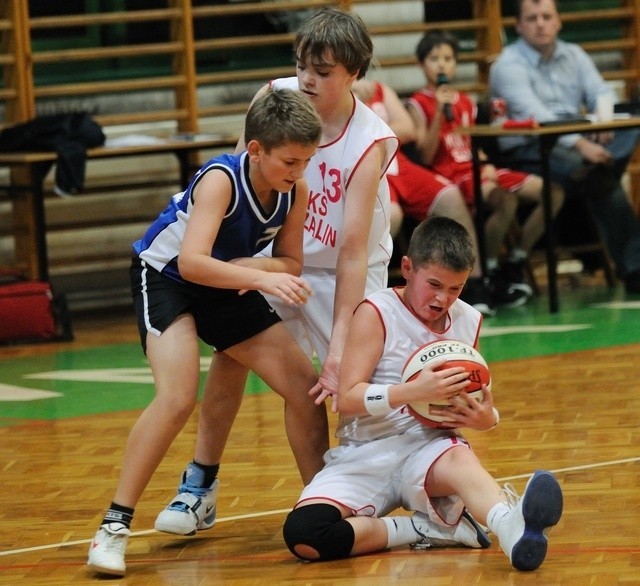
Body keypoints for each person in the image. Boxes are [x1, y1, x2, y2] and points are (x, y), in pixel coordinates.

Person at [154, 7, 398, 537]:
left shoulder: (371, 140)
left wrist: (337, 345)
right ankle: (201, 485)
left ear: (355, 73)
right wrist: (239, 268)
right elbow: (238, 185)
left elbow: (354, 251)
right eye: (303, 65)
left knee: (358, 390)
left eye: (324, 70)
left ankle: (360, 492)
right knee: (231, 355)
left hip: (346, 271)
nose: (308, 78)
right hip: (277, 261)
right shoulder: (273, 99)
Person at [87, 88, 329, 577]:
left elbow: (292, 260)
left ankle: (325, 506)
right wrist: (260, 275)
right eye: (290, 161)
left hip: (223, 277)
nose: (299, 171)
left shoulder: (295, 189)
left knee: (306, 389)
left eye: (306, 161)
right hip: (168, 277)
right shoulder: (222, 179)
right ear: (254, 150)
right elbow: (192, 262)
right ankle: (113, 527)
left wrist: (257, 267)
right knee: (177, 397)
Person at [282, 216, 564, 572]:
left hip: (430, 446)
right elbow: (348, 398)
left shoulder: (467, 321)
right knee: (305, 535)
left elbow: (478, 400)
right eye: (434, 284)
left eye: (455, 288)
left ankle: (510, 525)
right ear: (407, 268)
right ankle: (420, 528)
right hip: (366, 451)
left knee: (460, 457)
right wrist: (411, 392)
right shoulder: (377, 312)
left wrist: (486, 418)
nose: (442, 299)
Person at [489, 0, 640, 294]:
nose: (541, 24)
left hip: (578, 140)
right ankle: (635, 269)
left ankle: (592, 170)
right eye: (532, 18)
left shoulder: (574, 54)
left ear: (559, 21)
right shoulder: (507, 64)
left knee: (629, 127)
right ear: (519, 26)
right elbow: (537, 117)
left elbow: (601, 91)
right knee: (606, 182)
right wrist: (583, 144)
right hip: (531, 149)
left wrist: (604, 124)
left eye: (547, 16)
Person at [407, 30, 565, 307]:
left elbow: (469, 142)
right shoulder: (417, 103)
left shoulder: (466, 101)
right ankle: (487, 273)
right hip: (449, 175)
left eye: (448, 58)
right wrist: (437, 116)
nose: (442, 64)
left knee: (552, 192)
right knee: (505, 200)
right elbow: (426, 154)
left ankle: (514, 260)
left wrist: (487, 164)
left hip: (475, 166)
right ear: (422, 65)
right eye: (434, 59)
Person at [352, 77, 495, 317]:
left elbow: (407, 129)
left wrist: (367, 126)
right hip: (365, 163)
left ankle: (477, 284)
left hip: (398, 162)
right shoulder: (329, 90)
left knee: (450, 195)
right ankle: (372, 300)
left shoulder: (379, 87)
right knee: (390, 216)